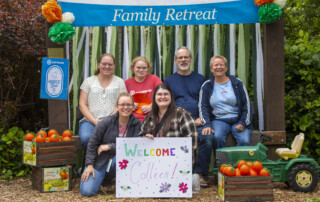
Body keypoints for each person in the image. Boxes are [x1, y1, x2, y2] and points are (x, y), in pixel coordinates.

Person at [196, 55, 253, 186]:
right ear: (211, 68)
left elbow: (247, 105)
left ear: (226, 67)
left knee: (244, 140)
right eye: (215, 65)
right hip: (219, 120)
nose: (219, 67)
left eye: (221, 65)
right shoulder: (207, 85)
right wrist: (207, 124)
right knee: (217, 138)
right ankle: (220, 172)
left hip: (238, 119)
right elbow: (202, 106)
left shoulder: (237, 83)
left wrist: (243, 122)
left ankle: (240, 173)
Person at [80, 92, 141, 197]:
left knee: (120, 159)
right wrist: (89, 165)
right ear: (116, 106)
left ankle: (108, 177)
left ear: (132, 107)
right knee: (87, 192)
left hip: (120, 161)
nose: (125, 107)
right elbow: (92, 144)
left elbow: (132, 147)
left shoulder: (136, 124)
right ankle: (101, 176)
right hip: (101, 161)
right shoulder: (106, 122)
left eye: (129, 105)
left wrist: (109, 147)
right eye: (122, 105)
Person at [139, 83, 198, 164]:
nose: (163, 97)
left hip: (178, 163)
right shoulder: (149, 118)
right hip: (153, 164)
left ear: (171, 97)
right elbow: (139, 142)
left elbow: (193, 141)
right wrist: (145, 138)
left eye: (166, 94)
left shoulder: (182, 114)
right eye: (159, 94)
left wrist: (174, 154)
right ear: (154, 98)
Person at [79, 53, 127, 150]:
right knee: (86, 138)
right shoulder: (88, 81)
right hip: (90, 121)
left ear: (114, 66)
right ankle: (92, 163)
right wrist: (93, 120)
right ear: (99, 64)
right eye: (104, 64)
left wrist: (108, 120)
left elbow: (122, 103)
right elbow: (82, 104)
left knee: (113, 139)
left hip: (113, 121)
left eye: (110, 64)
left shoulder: (119, 82)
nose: (107, 67)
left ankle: (106, 164)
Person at [164, 47, 206, 126]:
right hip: (176, 121)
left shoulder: (201, 79)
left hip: (198, 120)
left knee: (208, 136)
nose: (183, 60)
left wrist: (202, 118)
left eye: (186, 57)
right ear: (175, 60)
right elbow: (165, 103)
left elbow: (206, 102)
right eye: (180, 58)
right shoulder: (169, 81)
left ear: (191, 59)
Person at [125, 56, 162, 122]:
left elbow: (163, 95)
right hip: (132, 120)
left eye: (144, 68)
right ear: (133, 68)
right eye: (138, 67)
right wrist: (130, 105)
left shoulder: (154, 79)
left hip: (152, 118)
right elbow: (122, 101)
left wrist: (153, 106)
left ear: (148, 69)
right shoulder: (127, 83)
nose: (141, 70)